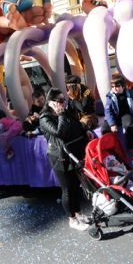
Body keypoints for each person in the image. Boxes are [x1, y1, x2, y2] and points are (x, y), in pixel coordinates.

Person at [39, 88, 91, 231]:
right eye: (60, 101)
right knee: (67, 189)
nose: (63, 103)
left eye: (64, 100)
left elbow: (77, 124)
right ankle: (72, 219)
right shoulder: (44, 118)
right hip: (58, 156)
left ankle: (79, 213)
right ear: (51, 103)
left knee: (75, 186)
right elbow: (59, 133)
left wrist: (85, 130)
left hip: (71, 153)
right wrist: (61, 114)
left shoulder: (66, 112)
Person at [102, 76, 133, 156]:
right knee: (104, 129)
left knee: (129, 124)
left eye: (117, 86)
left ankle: (132, 149)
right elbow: (108, 111)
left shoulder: (129, 93)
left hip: (125, 115)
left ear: (123, 86)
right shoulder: (110, 97)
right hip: (114, 117)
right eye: (112, 87)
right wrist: (112, 124)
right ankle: (109, 150)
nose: (114, 88)